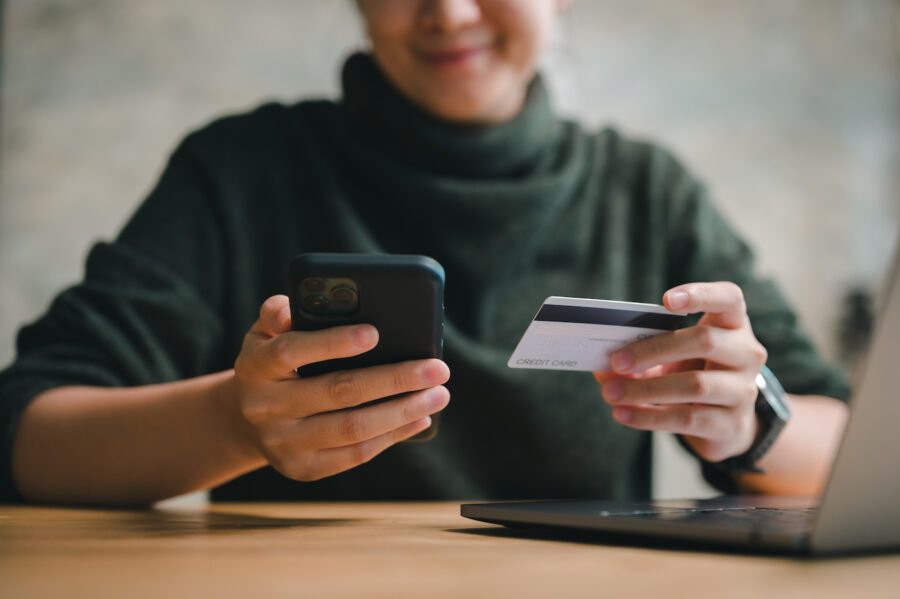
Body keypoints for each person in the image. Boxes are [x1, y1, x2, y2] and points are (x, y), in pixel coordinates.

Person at [0, 0, 849, 506]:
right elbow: (26, 432)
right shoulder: (239, 171)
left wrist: (743, 423)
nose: (447, 12)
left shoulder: (646, 189)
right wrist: (234, 420)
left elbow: (844, 441)